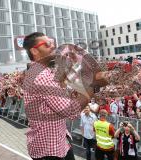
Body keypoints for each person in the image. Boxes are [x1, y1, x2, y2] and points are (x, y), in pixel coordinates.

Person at [22, 32, 107, 160]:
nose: (52, 46)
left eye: (52, 42)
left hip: (58, 143)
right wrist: (94, 85)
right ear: (34, 50)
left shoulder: (41, 73)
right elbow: (71, 111)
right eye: (47, 44)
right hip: (50, 150)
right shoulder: (42, 77)